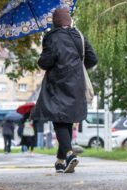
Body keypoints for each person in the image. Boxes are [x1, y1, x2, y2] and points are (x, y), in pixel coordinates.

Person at [32, 7, 98, 173]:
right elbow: (92, 59)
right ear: (69, 21)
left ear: (55, 22)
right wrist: (76, 67)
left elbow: (45, 62)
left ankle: (69, 154)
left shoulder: (51, 37)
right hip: (76, 84)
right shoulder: (79, 36)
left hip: (57, 83)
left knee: (59, 119)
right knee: (66, 119)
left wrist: (42, 57)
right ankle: (61, 161)